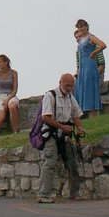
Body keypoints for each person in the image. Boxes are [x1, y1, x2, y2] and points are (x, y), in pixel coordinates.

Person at [37, 73, 85, 203]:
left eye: (71, 86)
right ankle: (43, 194)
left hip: (65, 135)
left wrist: (80, 128)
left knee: (72, 162)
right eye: (67, 85)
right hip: (51, 134)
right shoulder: (50, 96)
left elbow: (76, 115)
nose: (69, 88)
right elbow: (45, 117)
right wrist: (63, 127)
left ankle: (74, 193)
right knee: (50, 163)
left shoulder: (70, 98)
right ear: (60, 82)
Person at [74, 19, 106, 117]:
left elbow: (103, 45)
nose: (81, 29)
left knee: (90, 88)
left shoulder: (90, 37)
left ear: (86, 26)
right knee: (80, 88)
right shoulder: (80, 40)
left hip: (90, 65)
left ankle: (94, 113)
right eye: (79, 27)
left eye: (82, 26)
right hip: (82, 66)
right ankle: (84, 114)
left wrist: (95, 52)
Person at [0, 54, 20, 137]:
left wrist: (8, 99)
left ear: (6, 62)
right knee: (1, 117)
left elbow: (15, 90)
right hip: (0, 96)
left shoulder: (14, 73)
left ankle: (16, 132)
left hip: (11, 95)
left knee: (12, 106)